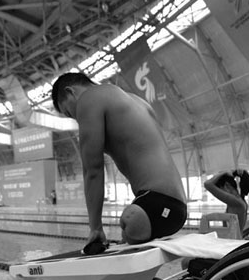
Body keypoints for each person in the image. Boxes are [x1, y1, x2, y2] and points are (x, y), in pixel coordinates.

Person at [52, 72, 187, 254]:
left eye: (69, 112)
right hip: (176, 209)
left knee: (129, 224)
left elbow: (93, 170)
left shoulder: (89, 99)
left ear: (71, 92)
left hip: (151, 206)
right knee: (129, 235)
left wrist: (96, 228)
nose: (76, 118)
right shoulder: (138, 102)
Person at [204, 169, 249, 234]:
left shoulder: (237, 202)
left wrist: (224, 172)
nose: (220, 193)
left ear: (226, 186)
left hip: (233, 241)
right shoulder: (237, 202)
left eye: (220, 189)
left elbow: (208, 184)